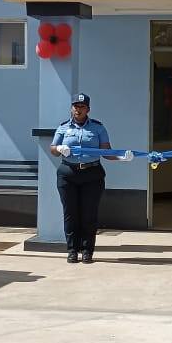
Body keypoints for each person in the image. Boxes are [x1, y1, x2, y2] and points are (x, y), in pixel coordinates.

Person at [50, 93, 129, 264]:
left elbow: (106, 152)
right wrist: (60, 148)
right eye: (76, 106)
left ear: (88, 109)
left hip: (91, 174)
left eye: (82, 107)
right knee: (70, 213)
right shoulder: (63, 127)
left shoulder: (98, 128)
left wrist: (121, 157)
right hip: (68, 174)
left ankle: (87, 251)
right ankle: (72, 250)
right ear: (71, 108)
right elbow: (53, 149)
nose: (78, 110)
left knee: (89, 214)